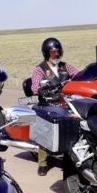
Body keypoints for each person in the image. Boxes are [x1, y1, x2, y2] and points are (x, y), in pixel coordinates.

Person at [31, 37, 80, 176]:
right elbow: (34, 86)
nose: (57, 55)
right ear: (47, 54)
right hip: (48, 103)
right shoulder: (40, 69)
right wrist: (43, 88)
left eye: (58, 52)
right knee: (45, 130)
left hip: (66, 102)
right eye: (53, 53)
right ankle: (42, 163)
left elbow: (79, 75)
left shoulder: (66, 66)